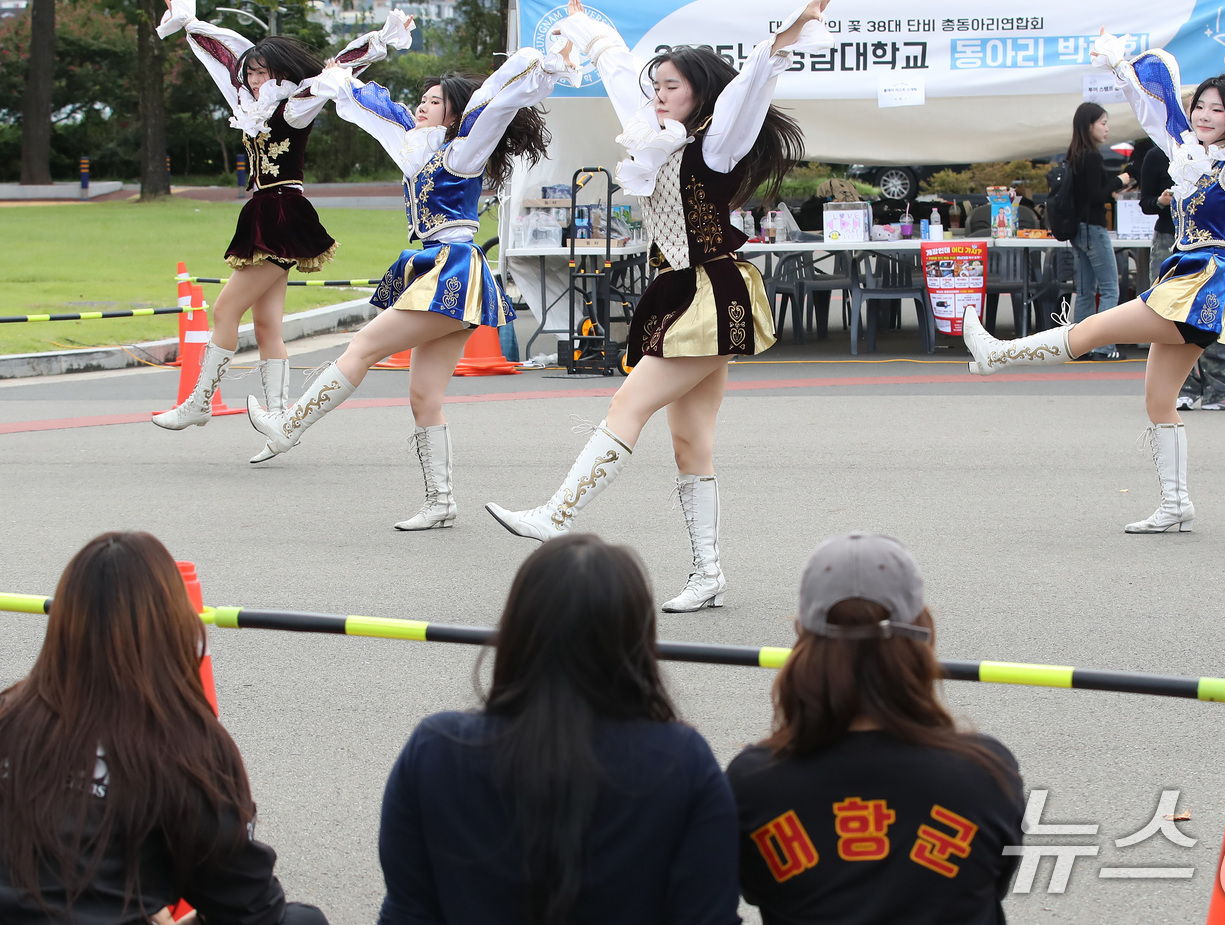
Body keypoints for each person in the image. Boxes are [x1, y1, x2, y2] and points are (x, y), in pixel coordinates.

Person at [485, 0, 832, 613]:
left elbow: (749, 90)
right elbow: (618, 72)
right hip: (676, 287)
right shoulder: (653, 136)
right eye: (658, 86)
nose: (658, 94)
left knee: (628, 402)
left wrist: (784, 38)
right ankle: (707, 575)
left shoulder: (718, 142)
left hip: (712, 289)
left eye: (671, 86)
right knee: (690, 443)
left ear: (699, 93)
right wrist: (587, 29)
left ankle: (556, 514)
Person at [963, 32, 1225, 534]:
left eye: (1217, 110)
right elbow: (1153, 113)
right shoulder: (1188, 153)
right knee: (1159, 400)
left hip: (1201, 283)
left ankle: (997, 356)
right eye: (1201, 105)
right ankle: (1176, 505)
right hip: (1188, 281)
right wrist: (1121, 67)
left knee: (1095, 328)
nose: (1204, 115)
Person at [245, 49, 571, 530]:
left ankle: (288, 425)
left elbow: (495, 106)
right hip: (438, 270)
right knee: (424, 397)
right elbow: (378, 116)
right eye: (422, 98)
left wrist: (538, 67)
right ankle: (441, 502)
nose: (422, 106)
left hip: (453, 267)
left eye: (434, 101)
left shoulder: (464, 150)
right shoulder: (417, 148)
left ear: (454, 113)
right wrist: (341, 81)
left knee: (363, 345)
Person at [377, 533, 740, 924]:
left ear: (515, 629)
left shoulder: (437, 750)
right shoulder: (680, 761)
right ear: (637, 640)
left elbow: (407, 914)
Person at [0, 532, 326, 925]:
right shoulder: (184, 746)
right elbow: (250, 906)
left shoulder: (9, 715)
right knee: (301, 921)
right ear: (175, 626)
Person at [151, 0, 412, 466]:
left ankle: (199, 403)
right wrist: (190, 23)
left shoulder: (293, 107)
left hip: (282, 213)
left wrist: (378, 43)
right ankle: (278, 422)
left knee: (223, 309)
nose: (253, 79)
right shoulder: (248, 105)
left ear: (281, 73)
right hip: (265, 211)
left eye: (262, 72)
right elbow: (224, 54)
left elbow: (336, 70)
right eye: (250, 72)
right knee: (266, 323)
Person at [726, 533, 1024, 925]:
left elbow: (743, 891)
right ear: (925, 632)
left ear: (801, 635)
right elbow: (992, 882)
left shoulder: (752, 781)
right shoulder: (987, 771)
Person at [1140, 144, 1225, 412]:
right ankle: (1182, 388)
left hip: (1213, 244)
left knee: (1215, 313)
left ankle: (1221, 389)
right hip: (1171, 240)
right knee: (1172, 315)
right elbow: (1145, 203)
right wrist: (1161, 201)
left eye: (1213, 110)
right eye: (1197, 110)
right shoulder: (1158, 154)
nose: (1203, 118)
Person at [1066, 101, 1131, 360]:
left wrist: (1111, 185)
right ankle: (1104, 346)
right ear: (1089, 125)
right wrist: (1120, 180)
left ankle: (1078, 346)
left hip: (1077, 230)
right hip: (1093, 228)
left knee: (1084, 290)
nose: (1107, 129)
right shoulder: (1091, 156)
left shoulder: (1074, 154)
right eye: (1103, 123)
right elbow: (1096, 195)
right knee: (1109, 288)